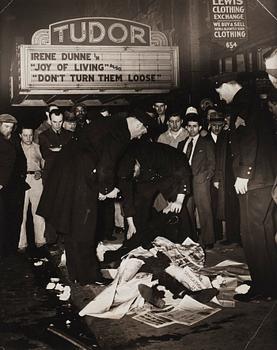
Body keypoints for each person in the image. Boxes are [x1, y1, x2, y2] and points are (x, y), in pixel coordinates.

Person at [37, 112, 155, 286]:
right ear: (138, 125)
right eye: (143, 132)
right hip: (81, 179)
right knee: (86, 229)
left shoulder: (110, 123)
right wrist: (106, 189)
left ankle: (76, 273)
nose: (140, 136)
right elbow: (106, 163)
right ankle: (88, 276)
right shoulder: (120, 132)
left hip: (67, 176)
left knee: (72, 228)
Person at [213, 72, 277, 301]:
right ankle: (270, 283)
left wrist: (244, 174)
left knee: (251, 233)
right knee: (265, 231)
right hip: (266, 179)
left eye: (219, 89)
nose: (219, 96)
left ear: (230, 85)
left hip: (254, 179)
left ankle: (263, 288)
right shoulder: (253, 102)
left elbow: (249, 137)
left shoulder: (243, 103)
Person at [104, 141, 192, 262]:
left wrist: (179, 199)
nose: (133, 176)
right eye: (131, 176)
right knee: (139, 209)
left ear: (136, 163)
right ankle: (136, 243)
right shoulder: (125, 171)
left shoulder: (154, 152)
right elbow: (127, 197)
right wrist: (131, 224)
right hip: (146, 180)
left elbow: (182, 169)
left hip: (168, 173)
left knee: (178, 210)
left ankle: (187, 243)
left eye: (134, 172)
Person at [178, 112, 216, 249]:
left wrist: (206, 177)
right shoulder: (181, 144)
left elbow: (212, 163)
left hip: (201, 182)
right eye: (189, 126)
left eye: (195, 126)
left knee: (204, 210)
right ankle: (191, 238)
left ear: (200, 127)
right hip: (185, 182)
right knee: (187, 212)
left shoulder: (206, 142)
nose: (192, 129)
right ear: (186, 127)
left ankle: (208, 240)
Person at [0, 114, 28, 257]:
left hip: (15, 187)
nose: (8, 130)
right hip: (2, 188)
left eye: (11, 127)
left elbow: (22, 160)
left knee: (15, 219)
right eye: (5, 126)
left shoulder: (15, 139)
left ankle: (10, 250)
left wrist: (22, 176)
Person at [211, 111, 241, 244]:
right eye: (226, 119)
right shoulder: (222, 135)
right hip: (226, 177)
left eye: (230, 118)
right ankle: (231, 237)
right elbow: (217, 158)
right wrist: (217, 178)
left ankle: (240, 237)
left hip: (239, 176)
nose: (227, 121)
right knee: (228, 207)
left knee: (240, 207)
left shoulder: (240, 133)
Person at [18, 127, 46, 251]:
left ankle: (41, 240)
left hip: (36, 180)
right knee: (21, 212)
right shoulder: (16, 147)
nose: (28, 138)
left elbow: (44, 163)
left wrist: (41, 172)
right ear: (20, 135)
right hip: (22, 180)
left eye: (30, 135)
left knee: (39, 210)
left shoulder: (38, 147)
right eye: (25, 135)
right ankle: (21, 243)